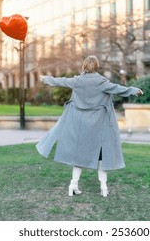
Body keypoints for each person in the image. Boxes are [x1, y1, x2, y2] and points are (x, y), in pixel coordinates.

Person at [35, 56, 143, 197]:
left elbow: (59, 81)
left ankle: (73, 185)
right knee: (102, 158)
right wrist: (134, 90)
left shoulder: (77, 81)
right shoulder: (101, 82)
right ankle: (104, 188)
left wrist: (44, 78)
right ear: (97, 67)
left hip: (81, 127)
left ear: (84, 66)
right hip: (99, 127)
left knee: (79, 157)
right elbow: (118, 89)